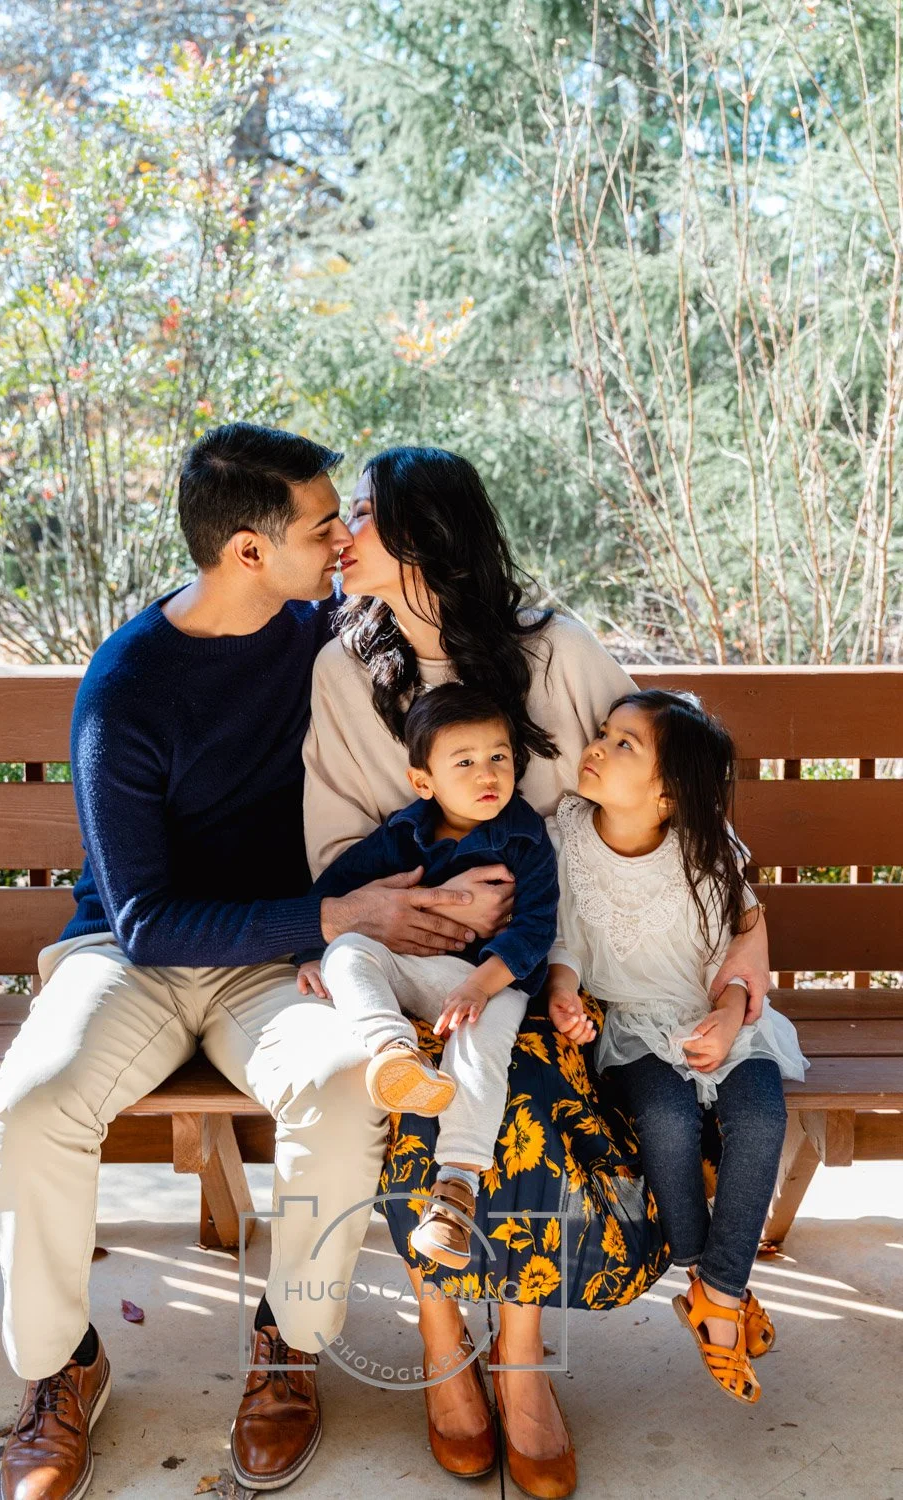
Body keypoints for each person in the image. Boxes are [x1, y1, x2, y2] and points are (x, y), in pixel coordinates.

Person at [0, 423, 499, 1500]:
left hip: (282, 963)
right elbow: (147, 922)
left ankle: (288, 1345)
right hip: (135, 956)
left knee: (343, 1088)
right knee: (31, 1107)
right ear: (250, 554)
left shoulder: (329, 627)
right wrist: (335, 913)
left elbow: (457, 631)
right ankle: (59, 1367)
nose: (345, 539)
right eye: (324, 526)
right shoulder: (125, 692)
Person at [302, 445, 773, 1498]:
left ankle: (516, 1356)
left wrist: (744, 939)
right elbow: (332, 854)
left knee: (519, 1062)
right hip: (410, 960)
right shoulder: (344, 672)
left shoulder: (555, 653)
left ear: (426, 537)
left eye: (368, 513)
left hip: (562, 963)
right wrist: (413, 911)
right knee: (413, 1072)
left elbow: (673, 788)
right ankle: (440, 1347)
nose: (345, 532)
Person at [548, 689, 806, 1404]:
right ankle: (703, 1274)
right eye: (603, 733)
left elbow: (739, 956)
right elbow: (564, 936)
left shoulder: (711, 853)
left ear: (667, 794)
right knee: (665, 1119)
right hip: (632, 1028)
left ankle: (721, 1295)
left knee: (759, 1118)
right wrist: (563, 989)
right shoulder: (566, 836)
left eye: (623, 743)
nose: (596, 746)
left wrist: (727, 1019)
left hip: (723, 1020)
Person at [297, 682, 558, 1273]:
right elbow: (331, 898)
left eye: (499, 757)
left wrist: (481, 985)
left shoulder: (525, 839)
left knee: (481, 1044)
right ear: (424, 781)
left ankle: (454, 1190)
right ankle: (395, 1052)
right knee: (350, 950)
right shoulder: (402, 833)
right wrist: (315, 952)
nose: (486, 773)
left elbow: (536, 926)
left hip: (490, 981)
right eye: (463, 762)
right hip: (412, 973)